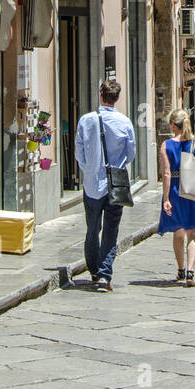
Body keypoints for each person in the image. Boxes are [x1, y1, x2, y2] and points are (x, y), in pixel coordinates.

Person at [75, 79, 135, 293]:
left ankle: (93, 270)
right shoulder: (125, 122)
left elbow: (78, 150)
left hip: (92, 184)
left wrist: (89, 169)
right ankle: (104, 273)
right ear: (117, 98)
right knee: (111, 229)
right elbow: (131, 154)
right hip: (116, 185)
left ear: (101, 96)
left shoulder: (86, 120)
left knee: (92, 229)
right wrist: (117, 165)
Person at [158, 108, 195, 285]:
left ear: (172, 125)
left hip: (176, 191)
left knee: (178, 232)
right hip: (193, 189)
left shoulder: (166, 145)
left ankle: (180, 269)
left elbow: (167, 174)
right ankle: (191, 272)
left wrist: (166, 198)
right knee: (194, 233)